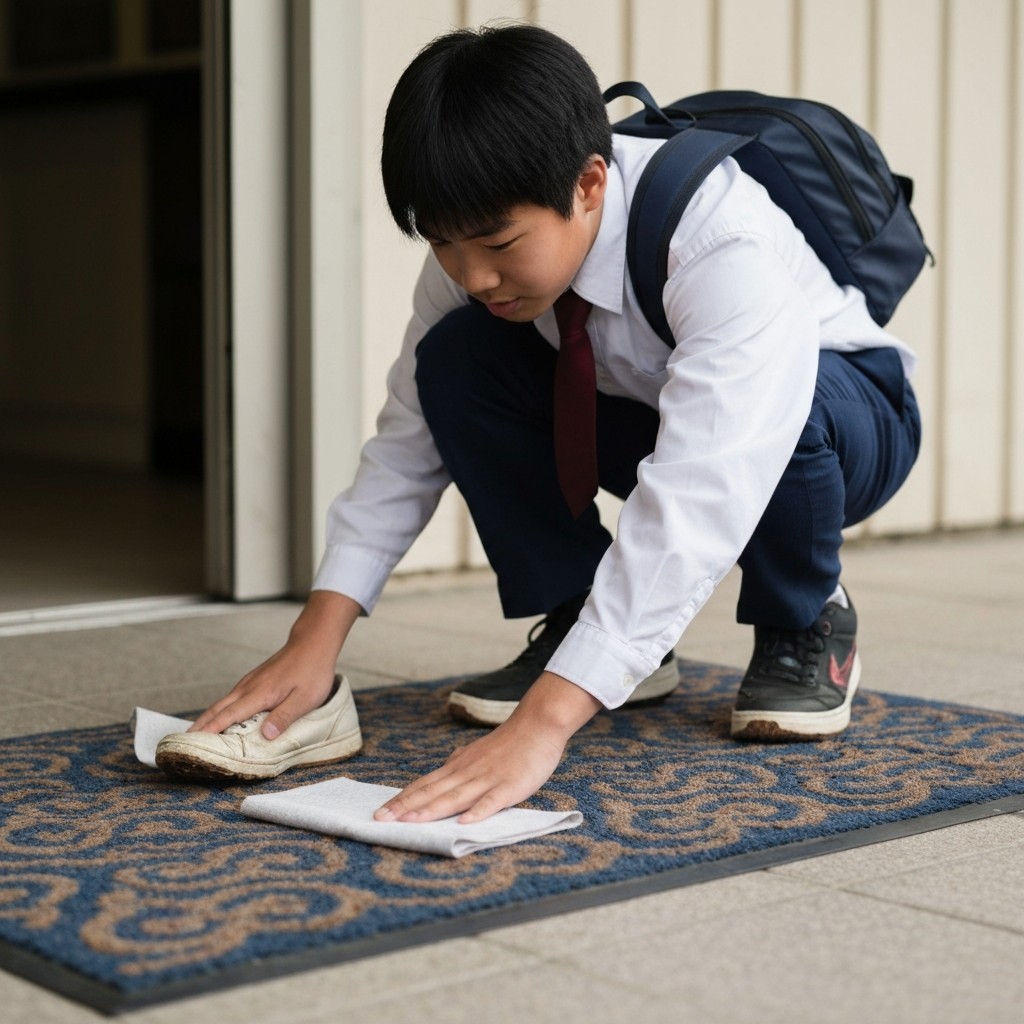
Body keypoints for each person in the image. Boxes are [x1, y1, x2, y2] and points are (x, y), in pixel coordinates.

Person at [183, 25, 920, 824]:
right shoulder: (471, 268)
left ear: (590, 184)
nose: (474, 274)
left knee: (786, 409)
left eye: (499, 242)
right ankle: (585, 618)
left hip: (843, 423)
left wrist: (545, 724)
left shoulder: (718, 241)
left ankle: (804, 615)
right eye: (442, 243)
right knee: (455, 362)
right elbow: (406, 441)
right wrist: (313, 641)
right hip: (655, 416)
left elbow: (706, 480)